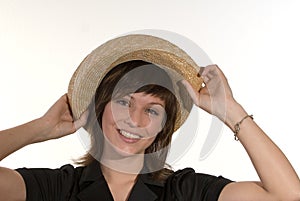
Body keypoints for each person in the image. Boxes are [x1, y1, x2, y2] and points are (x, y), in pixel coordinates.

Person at [0, 34, 300, 201]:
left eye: (152, 110)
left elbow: (288, 196)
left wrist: (229, 110)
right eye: (123, 102)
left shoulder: (186, 191)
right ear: (100, 108)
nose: (135, 120)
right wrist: (40, 128)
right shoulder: (56, 188)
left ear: (163, 127)